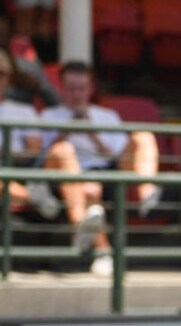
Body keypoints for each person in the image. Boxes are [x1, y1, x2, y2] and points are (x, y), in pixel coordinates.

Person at [40, 61, 161, 275]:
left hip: (108, 168)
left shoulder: (107, 116)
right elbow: (44, 157)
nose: (76, 94)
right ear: (62, 88)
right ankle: (102, 251)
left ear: (90, 88)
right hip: (68, 175)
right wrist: (66, 131)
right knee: (88, 184)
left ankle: (147, 192)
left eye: (81, 88)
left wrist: (91, 132)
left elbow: (117, 155)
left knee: (143, 136)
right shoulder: (48, 116)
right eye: (71, 89)